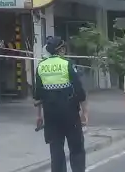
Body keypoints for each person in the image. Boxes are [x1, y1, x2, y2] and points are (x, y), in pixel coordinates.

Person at [34, 37, 88, 172]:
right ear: (61, 50)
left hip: (51, 116)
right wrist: (85, 112)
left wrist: (39, 116)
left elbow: (38, 96)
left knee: (56, 151)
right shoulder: (67, 64)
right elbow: (80, 91)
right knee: (76, 148)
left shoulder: (41, 66)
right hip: (70, 115)